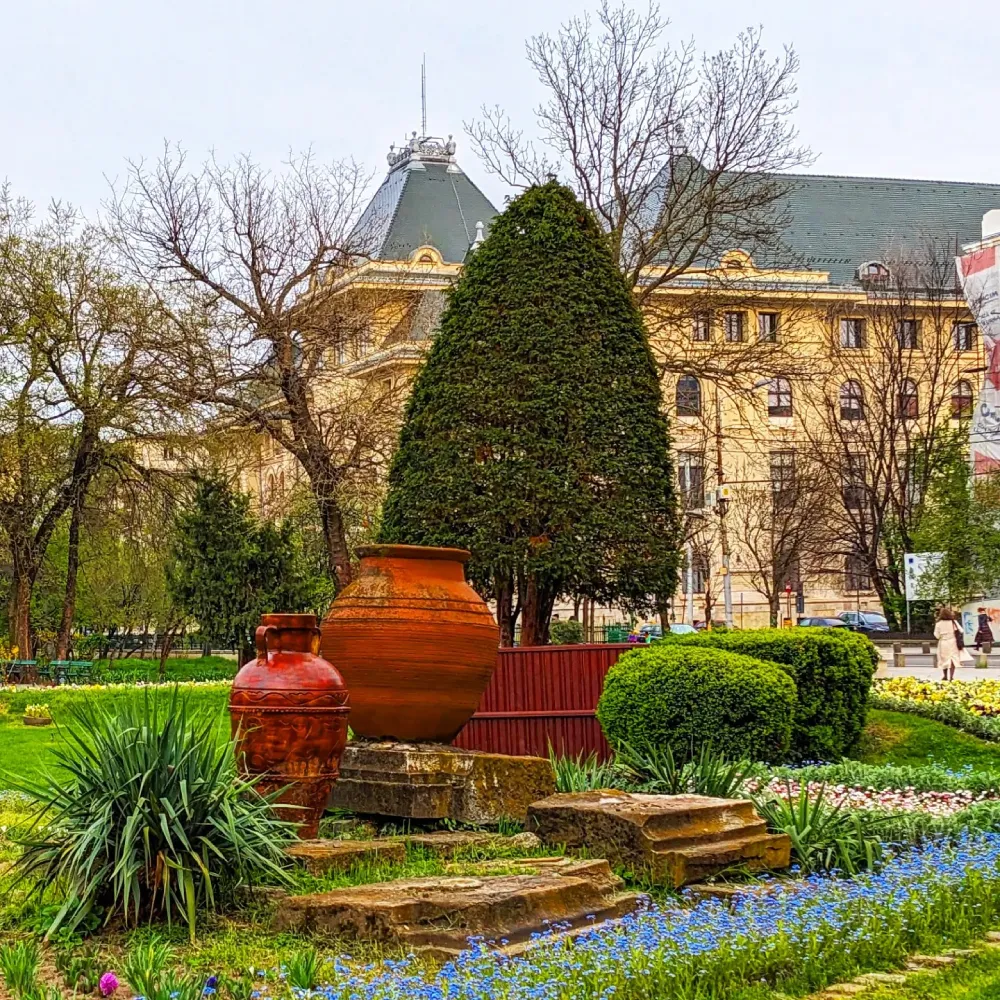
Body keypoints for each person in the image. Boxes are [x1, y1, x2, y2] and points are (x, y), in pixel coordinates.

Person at [934, 607, 963, 681]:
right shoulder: (954, 622)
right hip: (953, 642)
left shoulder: (938, 623)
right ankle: (951, 676)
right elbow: (961, 630)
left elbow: (937, 636)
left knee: (944, 659)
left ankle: (945, 676)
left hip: (943, 642)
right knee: (952, 659)